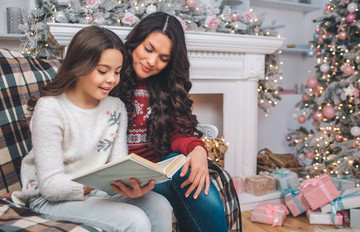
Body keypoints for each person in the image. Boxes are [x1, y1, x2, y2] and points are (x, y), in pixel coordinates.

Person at [11, 25, 173, 232]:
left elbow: (117, 165)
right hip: (48, 198)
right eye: (103, 71)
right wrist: (98, 183)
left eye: (117, 72)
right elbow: (50, 186)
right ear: (79, 66)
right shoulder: (50, 108)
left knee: (159, 205)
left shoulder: (116, 107)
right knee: (135, 220)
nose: (112, 80)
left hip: (96, 191)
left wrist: (130, 186)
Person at [118, 12, 229, 232]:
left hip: (158, 170)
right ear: (135, 42)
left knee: (194, 177)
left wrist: (198, 150)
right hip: (121, 171)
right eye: (148, 49)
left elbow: (180, 133)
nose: (152, 62)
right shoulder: (111, 74)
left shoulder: (168, 85)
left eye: (164, 58)